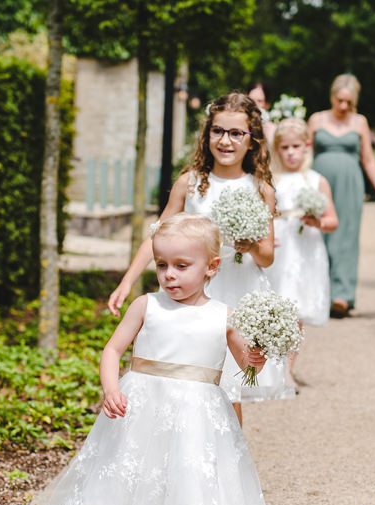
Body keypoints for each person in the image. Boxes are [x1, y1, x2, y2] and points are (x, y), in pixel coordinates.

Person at [39, 213, 280, 505]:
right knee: (155, 478)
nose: (169, 275)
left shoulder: (223, 315)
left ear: (211, 268)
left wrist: (257, 354)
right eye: (162, 264)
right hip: (146, 406)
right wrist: (111, 387)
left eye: (181, 266)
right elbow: (113, 350)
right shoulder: (146, 305)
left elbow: (247, 368)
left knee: (193, 484)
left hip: (198, 415)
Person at [106, 92, 284, 408]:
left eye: (235, 133)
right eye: (218, 131)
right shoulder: (191, 183)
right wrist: (127, 280)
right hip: (194, 291)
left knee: (228, 389)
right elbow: (156, 236)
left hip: (238, 290)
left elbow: (267, 256)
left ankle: (227, 454)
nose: (225, 141)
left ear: (252, 139)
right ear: (207, 135)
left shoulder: (261, 189)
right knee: (190, 378)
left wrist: (251, 244)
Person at [310, 74, 375, 318]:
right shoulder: (316, 119)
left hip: (350, 185)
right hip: (319, 183)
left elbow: (367, 159)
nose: (344, 106)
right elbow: (304, 153)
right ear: (332, 96)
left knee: (345, 237)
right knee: (318, 232)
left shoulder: (360, 122)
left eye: (349, 102)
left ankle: (342, 295)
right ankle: (318, 292)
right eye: (340, 100)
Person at [265, 118, 338, 385]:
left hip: (305, 249)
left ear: (306, 147)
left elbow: (333, 221)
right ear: (277, 149)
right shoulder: (270, 178)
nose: (291, 153)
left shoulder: (317, 181)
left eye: (296, 146)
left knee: (295, 309)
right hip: (279, 245)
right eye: (285, 147)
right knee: (275, 305)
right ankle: (267, 366)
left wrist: (317, 221)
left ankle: (287, 369)